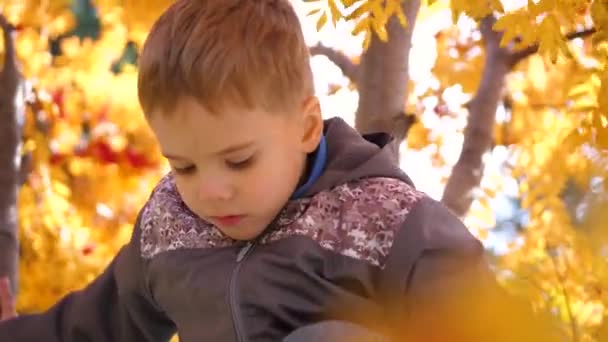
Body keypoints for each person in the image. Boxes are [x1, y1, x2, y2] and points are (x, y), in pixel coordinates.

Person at [0, 0, 560, 341]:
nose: (212, 191)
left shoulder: (385, 222)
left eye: (239, 160)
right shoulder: (169, 230)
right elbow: (96, 329)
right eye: (184, 166)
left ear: (307, 127)